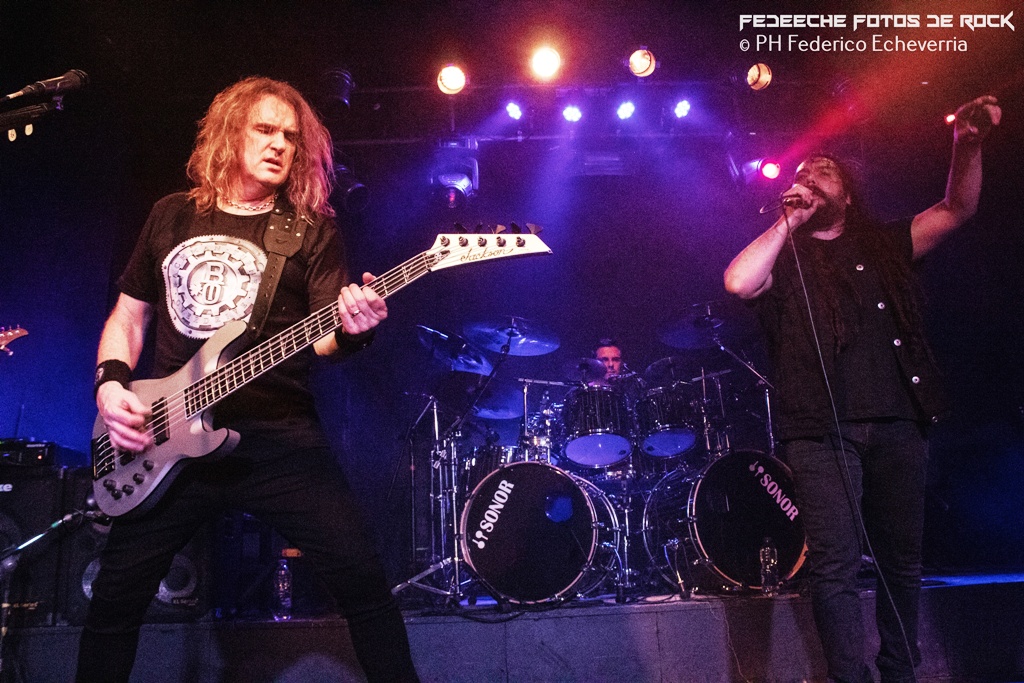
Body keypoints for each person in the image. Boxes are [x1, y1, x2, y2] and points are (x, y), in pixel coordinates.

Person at [79, 77, 419, 682]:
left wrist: (355, 329)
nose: (280, 144)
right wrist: (110, 388)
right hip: (165, 436)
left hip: (279, 436)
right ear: (230, 133)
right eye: (265, 129)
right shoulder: (171, 214)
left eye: (291, 136)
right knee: (113, 603)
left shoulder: (310, 229)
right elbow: (129, 317)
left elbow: (325, 339)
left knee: (364, 583)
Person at [723, 95, 1000, 683]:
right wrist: (789, 220)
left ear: (847, 193)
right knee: (835, 565)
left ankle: (899, 671)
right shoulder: (785, 257)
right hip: (820, 431)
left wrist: (967, 144)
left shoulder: (885, 243)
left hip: (899, 418)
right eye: (803, 173)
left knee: (901, 561)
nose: (811, 177)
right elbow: (739, 282)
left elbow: (958, 208)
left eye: (825, 171)